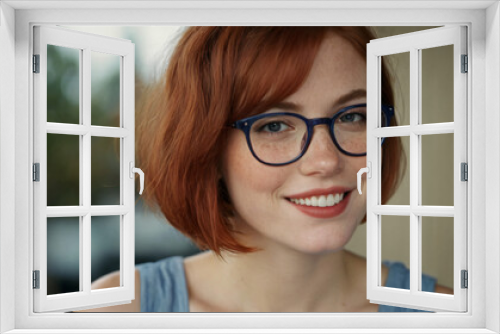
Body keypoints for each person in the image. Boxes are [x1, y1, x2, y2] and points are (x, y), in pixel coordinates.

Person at [87, 26, 452, 313]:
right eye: (274, 125)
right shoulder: (115, 313)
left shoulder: (445, 316)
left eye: (353, 115)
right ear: (206, 149)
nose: (325, 160)